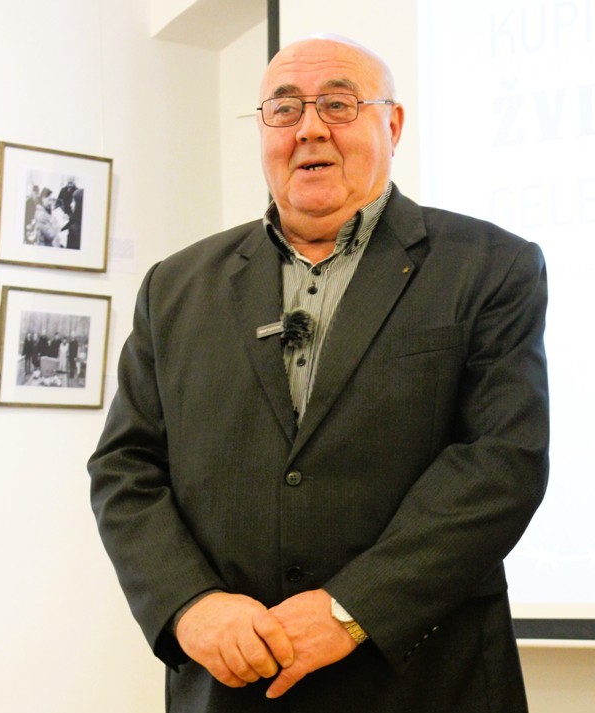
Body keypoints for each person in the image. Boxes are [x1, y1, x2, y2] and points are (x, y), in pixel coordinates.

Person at [89, 35, 549, 713]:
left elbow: (501, 461)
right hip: (231, 683)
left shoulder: (490, 265)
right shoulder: (174, 286)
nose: (309, 128)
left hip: (424, 680)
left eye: (338, 104)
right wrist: (188, 605)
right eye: (284, 109)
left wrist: (349, 609)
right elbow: (126, 466)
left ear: (392, 125)